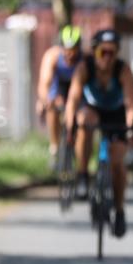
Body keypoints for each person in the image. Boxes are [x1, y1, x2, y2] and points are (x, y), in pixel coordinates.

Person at [64, 29, 133, 238]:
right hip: (93, 111)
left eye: (112, 53)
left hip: (116, 115)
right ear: (95, 51)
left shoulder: (123, 70)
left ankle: (120, 209)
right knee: (83, 121)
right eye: (102, 52)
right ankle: (82, 175)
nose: (107, 57)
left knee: (118, 164)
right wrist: (70, 125)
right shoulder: (84, 67)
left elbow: (131, 103)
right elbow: (73, 100)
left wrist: (132, 127)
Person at [36, 25, 84, 166]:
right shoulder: (52, 56)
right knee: (52, 106)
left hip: (78, 87)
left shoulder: (84, 59)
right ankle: (55, 147)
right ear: (61, 47)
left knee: (81, 114)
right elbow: (44, 84)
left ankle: (78, 149)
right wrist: (44, 100)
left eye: (74, 49)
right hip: (58, 88)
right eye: (67, 49)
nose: (70, 54)